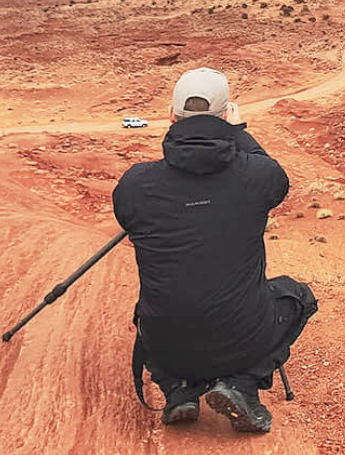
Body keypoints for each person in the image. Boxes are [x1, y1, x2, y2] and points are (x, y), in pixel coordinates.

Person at [113, 68, 318, 433]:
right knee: (298, 296)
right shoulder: (256, 178)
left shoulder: (135, 185)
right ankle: (242, 384)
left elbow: (131, 222)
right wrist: (238, 132)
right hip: (240, 338)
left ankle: (179, 390)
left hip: (166, 342)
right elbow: (274, 173)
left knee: (159, 308)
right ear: (227, 116)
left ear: (171, 117)